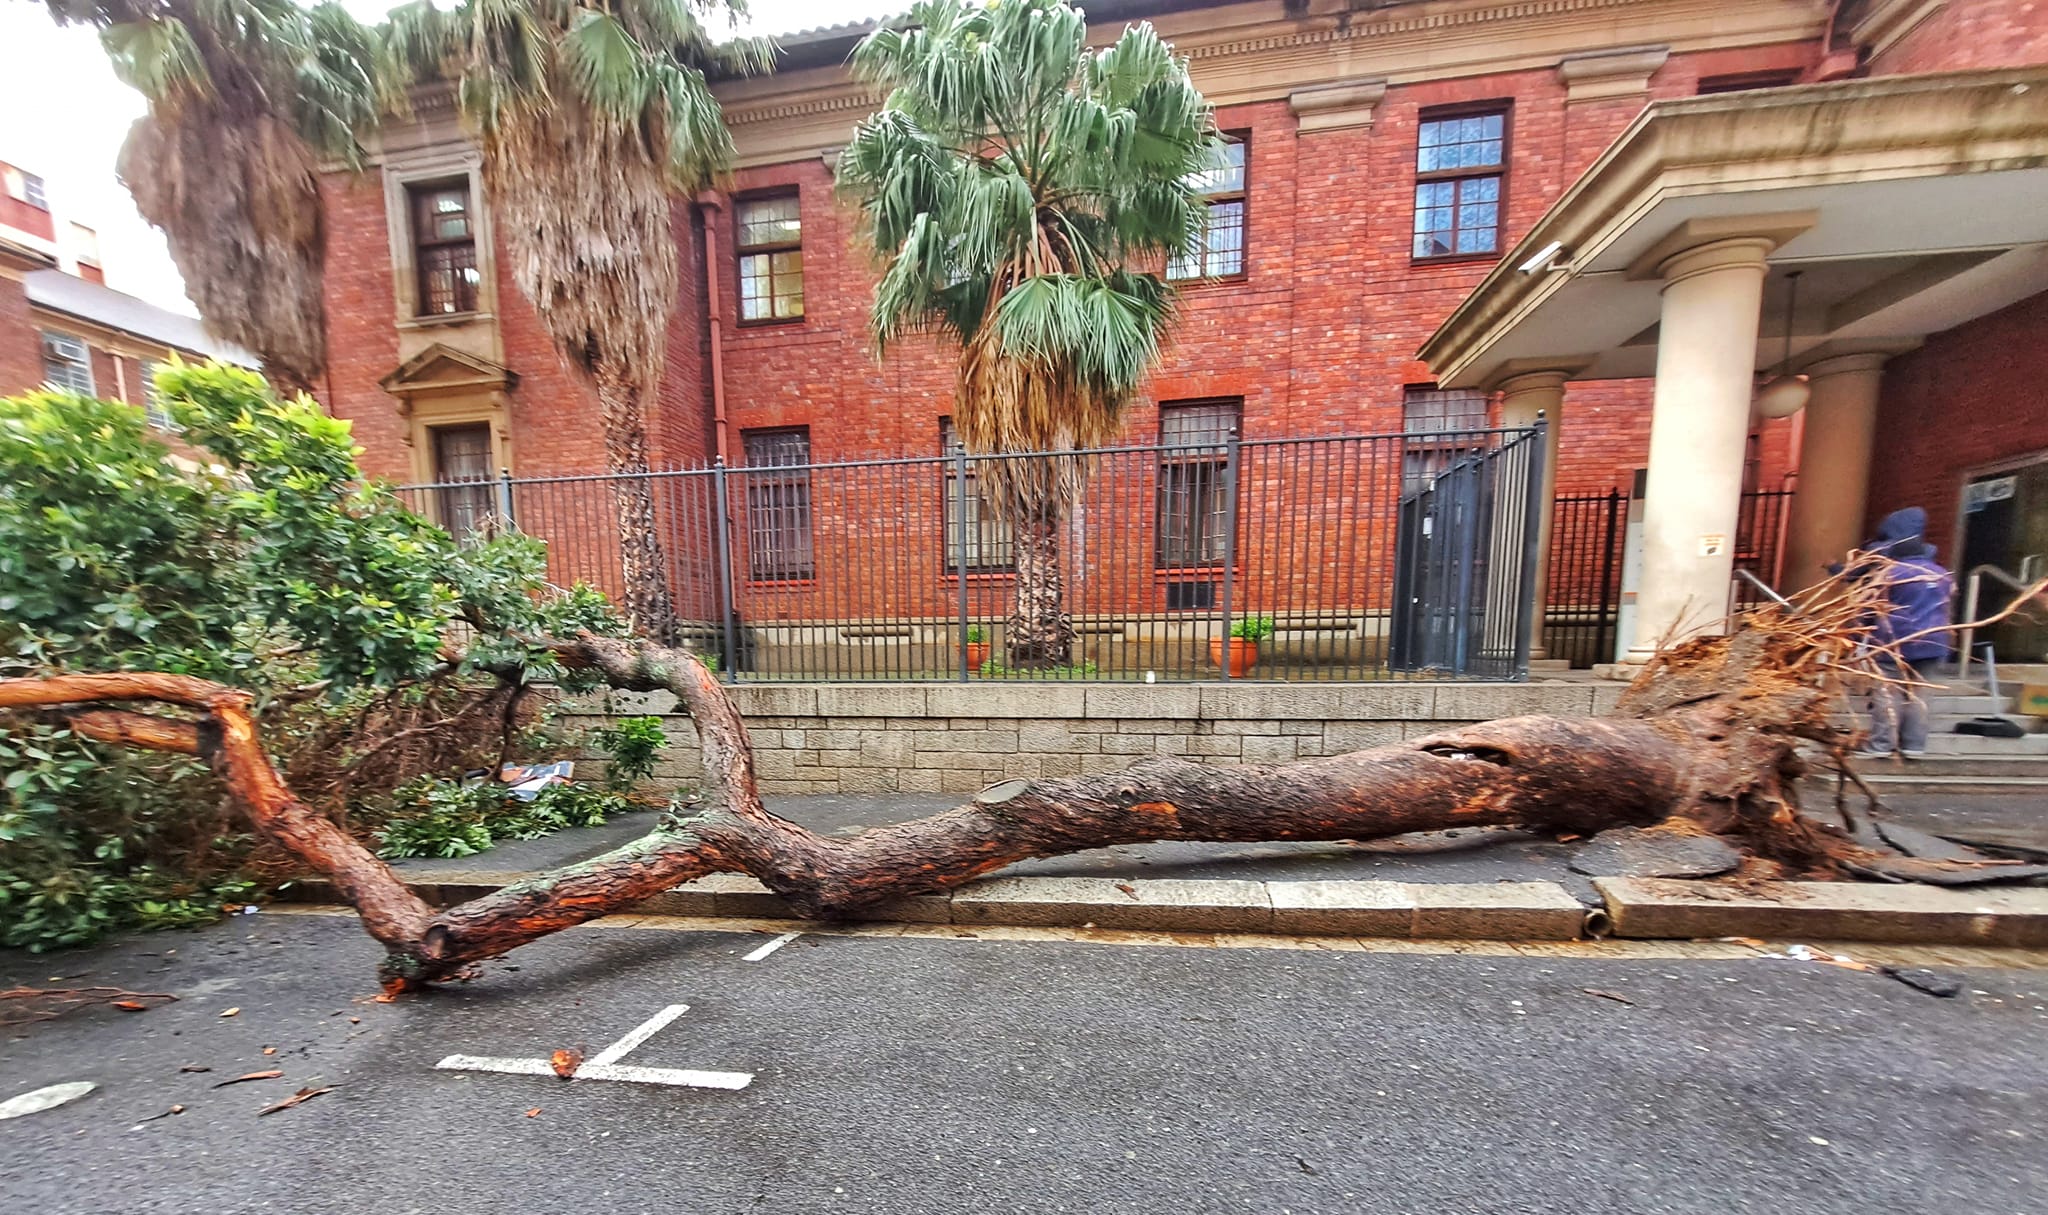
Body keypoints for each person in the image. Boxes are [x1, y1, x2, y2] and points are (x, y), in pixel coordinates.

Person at [1843, 506, 1955, 760]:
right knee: (1921, 695)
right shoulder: (1941, 575)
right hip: (1934, 643)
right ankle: (1914, 746)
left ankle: (1881, 745)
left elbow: (1870, 609)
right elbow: (1946, 608)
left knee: (1887, 693)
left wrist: (1857, 639)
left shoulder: (1890, 573)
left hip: (1894, 642)